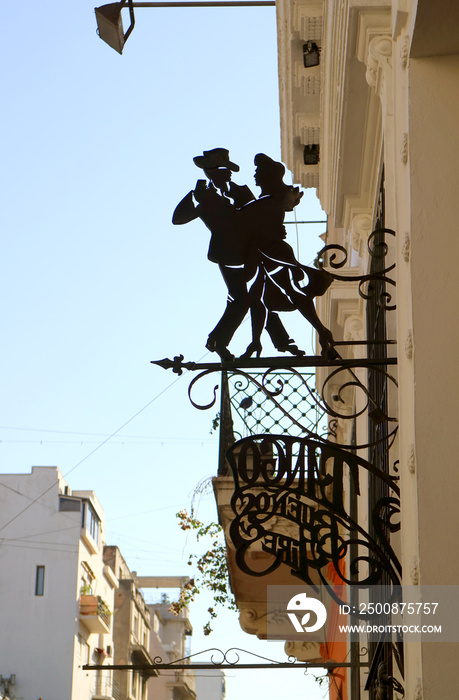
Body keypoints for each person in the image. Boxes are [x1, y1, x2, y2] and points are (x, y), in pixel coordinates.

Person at [238, 153, 335, 358]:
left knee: (291, 292)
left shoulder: (271, 200)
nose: (255, 176)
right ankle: (262, 342)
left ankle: (321, 330)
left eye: (258, 172)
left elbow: (247, 217)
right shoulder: (266, 200)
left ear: (267, 176)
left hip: (273, 254)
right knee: (261, 299)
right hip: (264, 255)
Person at [172, 148, 255, 360]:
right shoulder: (206, 197)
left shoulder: (232, 191)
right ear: (213, 173)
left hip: (247, 251)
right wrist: (192, 196)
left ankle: (219, 340)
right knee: (241, 301)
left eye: (228, 170)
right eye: (224, 170)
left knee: (242, 300)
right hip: (229, 255)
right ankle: (217, 341)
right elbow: (178, 219)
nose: (229, 173)